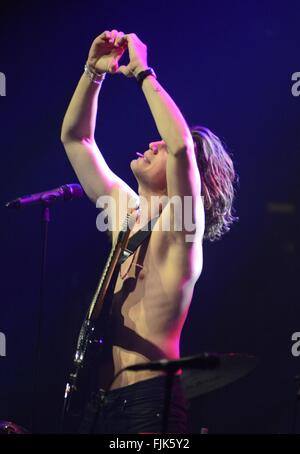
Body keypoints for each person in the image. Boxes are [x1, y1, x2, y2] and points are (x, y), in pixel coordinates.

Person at [61, 29, 237, 434]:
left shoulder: (179, 231)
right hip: (100, 404)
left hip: (147, 407)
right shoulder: (126, 214)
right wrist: (93, 73)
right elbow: (76, 139)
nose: (154, 144)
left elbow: (180, 149)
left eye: (164, 145)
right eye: (157, 142)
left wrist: (142, 70)